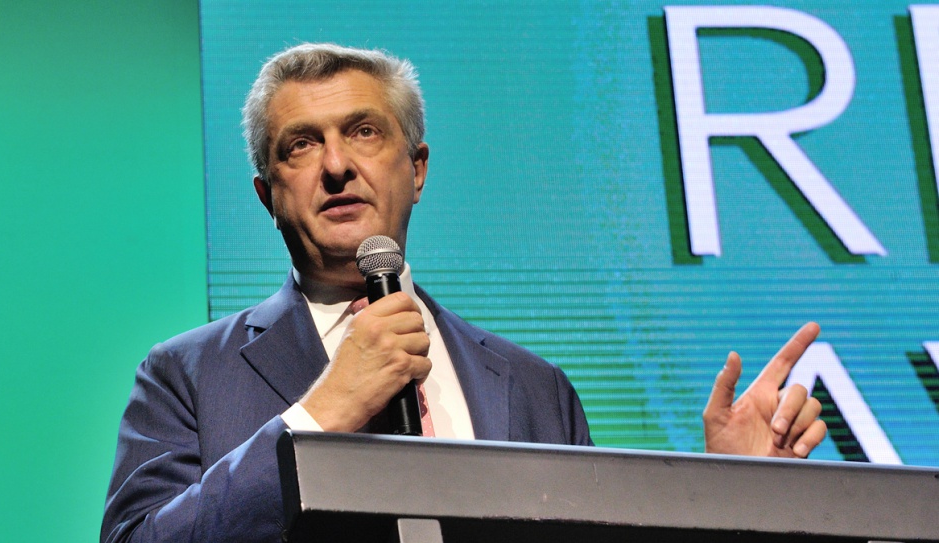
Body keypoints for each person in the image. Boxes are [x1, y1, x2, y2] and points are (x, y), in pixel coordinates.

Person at [101, 43, 826, 543]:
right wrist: (319, 417)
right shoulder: (188, 375)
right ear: (267, 193)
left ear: (417, 169)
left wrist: (739, 493)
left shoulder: (537, 388)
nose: (336, 165)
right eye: (300, 144)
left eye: (363, 132)